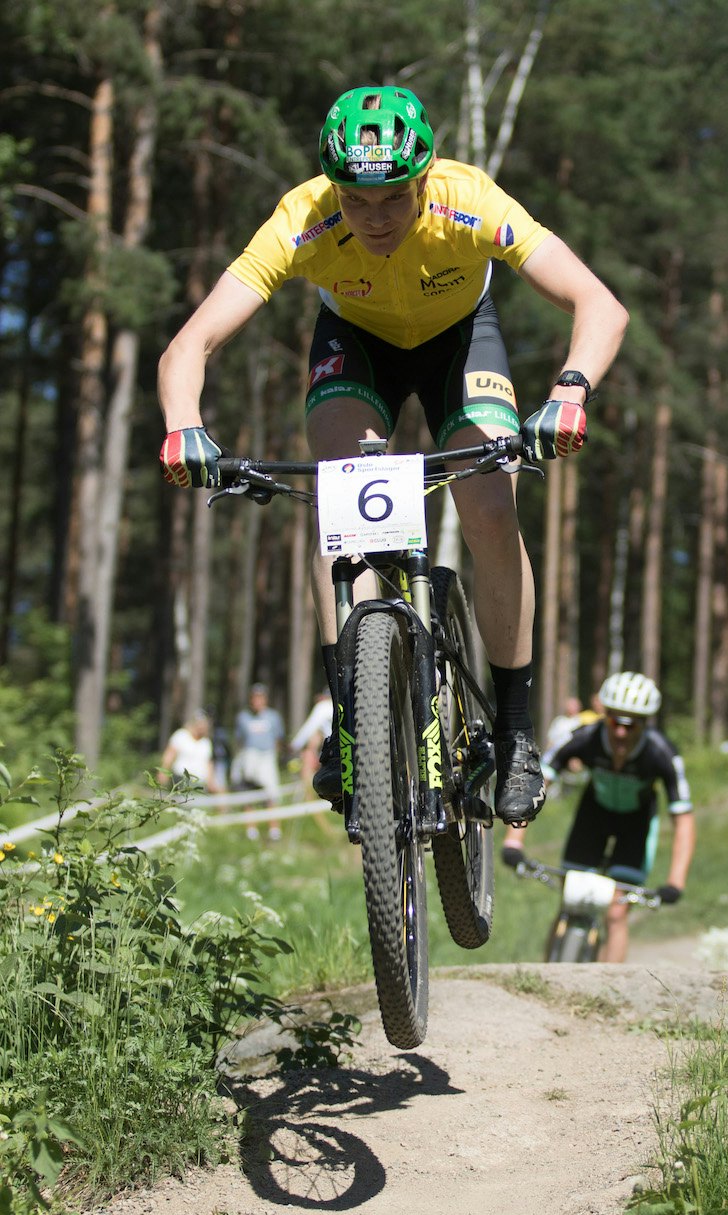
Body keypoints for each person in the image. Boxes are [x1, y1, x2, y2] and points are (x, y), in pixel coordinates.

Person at [157, 84, 629, 829]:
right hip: (358, 349)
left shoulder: (469, 199)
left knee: (487, 507)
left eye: (393, 199)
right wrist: (183, 423)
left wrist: (569, 392)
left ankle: (512, 731)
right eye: (356, 200)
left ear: (423, 180)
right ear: (333, 189)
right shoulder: (302, 218)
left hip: (460, 342)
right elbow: (193, 341)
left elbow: (599, 303)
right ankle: (353, 718)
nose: (374, 219)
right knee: (341, 505)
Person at [502, 671, 696, 963]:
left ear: (645, 724)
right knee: (572, 901)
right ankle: (546, 982)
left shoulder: (662, 753)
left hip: (636, 823)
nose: (620, 732)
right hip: (594, 814)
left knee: (617, 913)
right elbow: (537, 783)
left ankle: (607, 993)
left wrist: (675, 882)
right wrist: (513, 841)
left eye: (630, 725)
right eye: (614, 721)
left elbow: (683, 819)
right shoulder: (584, 738)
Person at [231, 683, 285, 841]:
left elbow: (278, 739)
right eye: (254, 697)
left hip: (267, 756)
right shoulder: (243, 718)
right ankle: (251, 829)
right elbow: (239, 740)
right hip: (250, 756)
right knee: (249, 793)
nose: (257, 701)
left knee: (271, 793)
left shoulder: (273, 717)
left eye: (260, 697)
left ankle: (274, 829)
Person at [157, 709, 219, 791]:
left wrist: (211, 781)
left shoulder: (206, 743)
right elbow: (169, 755)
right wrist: (163, 772)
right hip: (181, 779)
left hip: (200, 782)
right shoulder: (181, 735)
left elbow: (208, 764)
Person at [289, 690, 335, 790]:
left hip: (335, 749)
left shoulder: (323, 706)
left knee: (308, 758)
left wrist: (295, 745)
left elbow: (310, 727)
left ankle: (309, 794)